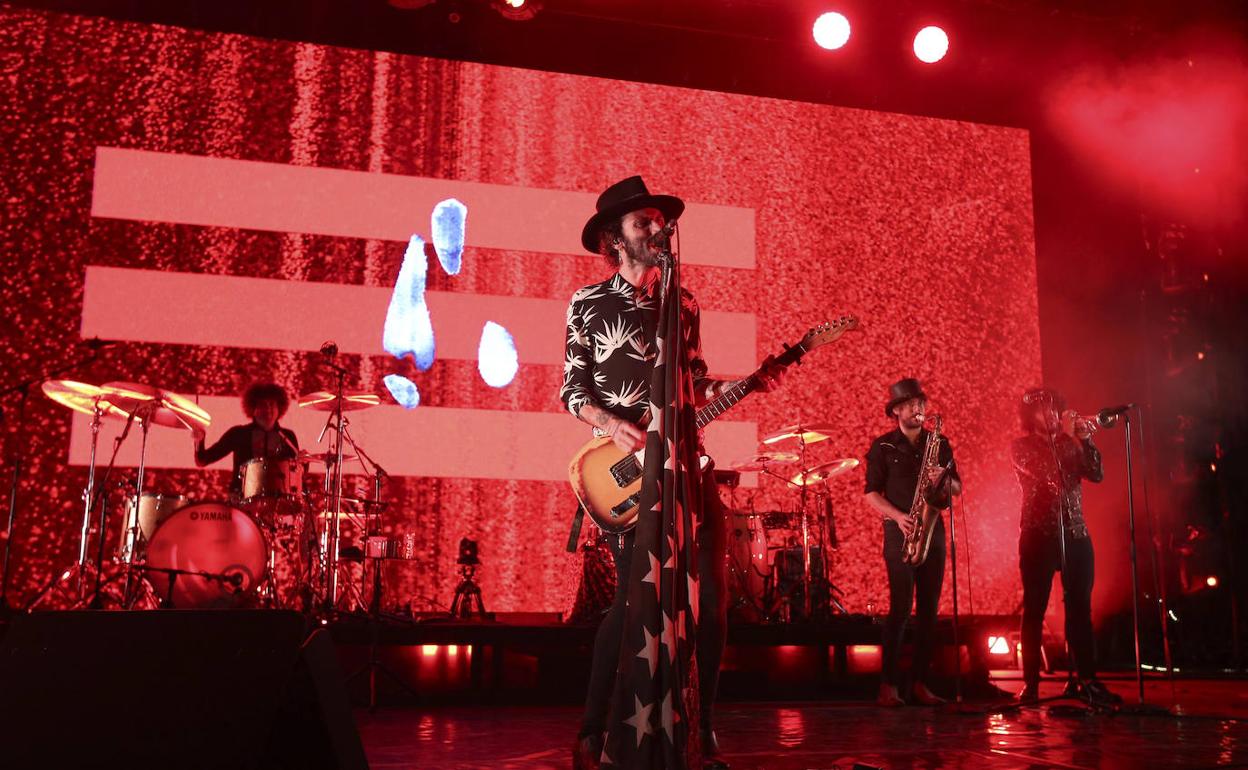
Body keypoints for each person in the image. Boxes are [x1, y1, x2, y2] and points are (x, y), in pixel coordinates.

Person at [563, 176, 782, 770]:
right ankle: (591, 732)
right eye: (643, 223)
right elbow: (572, 391)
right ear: (616, 237)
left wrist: (746, 383)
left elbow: (696, 381)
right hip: (627, 473)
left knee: (713, 600)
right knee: (631, 603)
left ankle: (702, 726)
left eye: (661, 222)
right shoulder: (588, 303)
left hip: (688, 463)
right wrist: (612, 426)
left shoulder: (682, 303)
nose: (656, 230)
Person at [1012, 388, 1121, 707]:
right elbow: (1048, 475)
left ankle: (1086, 679)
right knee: (1034, 609)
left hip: (1075, 533)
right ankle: (1030, 683)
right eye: (1042, 411)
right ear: (1029, 417)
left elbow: (1097, 474)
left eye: (1053, 409)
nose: (1050, 415)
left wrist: (1086, 440)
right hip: (1037, 535)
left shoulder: (1069, 443)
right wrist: (1072, 440)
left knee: (1080, 609)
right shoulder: (1020, 447)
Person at [863, 377, 961, 707]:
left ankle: (919, 683)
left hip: (932, 530)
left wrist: (943, 480)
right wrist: (899, 517)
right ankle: (888, 686)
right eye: (910, 405)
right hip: (899, 531)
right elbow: (871, 494)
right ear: (896, 411)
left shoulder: (939, 442)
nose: (918, 409)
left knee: (930, 611)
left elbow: (958, 489)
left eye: (920, 404)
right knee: (901, 608)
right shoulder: (883, 447)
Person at [192, 381, 299, 497]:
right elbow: (202, 460)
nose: (268, 409)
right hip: (241, 500)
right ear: (253, 409)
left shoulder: (288, 436)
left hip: (279, 501)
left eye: (272, 404)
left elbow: (298, 471)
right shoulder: (238, 433)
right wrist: (199, 441)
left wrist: (303, 462)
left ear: (279, 408)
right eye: (263, 404)